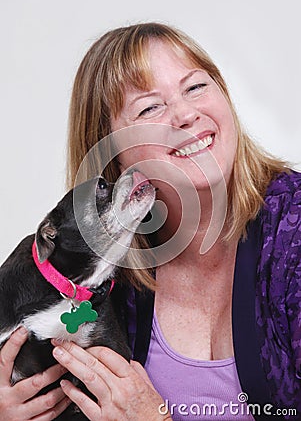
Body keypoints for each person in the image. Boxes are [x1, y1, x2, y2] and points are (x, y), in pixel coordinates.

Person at [0, 22, 300, 420]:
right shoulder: (104, 277)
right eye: (149, 108)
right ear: (112, 154)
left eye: (196, 87)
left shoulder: (292, 229)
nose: (186, 115)